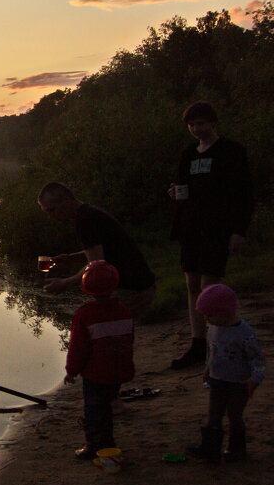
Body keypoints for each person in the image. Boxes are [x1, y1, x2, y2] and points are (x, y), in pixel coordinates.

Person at [169, 102, 254, 369]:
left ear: (213, 123)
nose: (196, 129)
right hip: (191, 227)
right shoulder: (188, 155)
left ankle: (220, 339)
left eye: (201, 123)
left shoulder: (231, 151)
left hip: (218, 227)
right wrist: (175, 193)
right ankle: (198, 343)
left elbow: (243, 194)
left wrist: (238, 231)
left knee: (210, 287)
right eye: (192, 125)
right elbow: (183, 187)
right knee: (192, 285)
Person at [37, 182, 156, 318]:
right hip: (138, 284)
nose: (50, 216)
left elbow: (96, 267)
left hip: (132, 289)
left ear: (66, 200)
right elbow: (105, 250)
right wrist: (71, 258)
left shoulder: (85, 221)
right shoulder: (89, 213)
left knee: (102, 331)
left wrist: (64, 283)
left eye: (51, 210)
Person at [185, 284, 264, 463]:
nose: (206, 319)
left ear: (224, 312)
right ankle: (210, 448)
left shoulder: (244, 334)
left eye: (209, 315)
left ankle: (236, 449)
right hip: (217, 380)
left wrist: (254, 379)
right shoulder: (213, 329)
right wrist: (208, 370)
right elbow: (211, 352)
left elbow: (258, 359)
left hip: (239, 383)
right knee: (214, 414)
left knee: (234, 415)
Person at [64, 261, 135, 460]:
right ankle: (108, 442)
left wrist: (71, 371)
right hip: (118, 371)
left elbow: (78, 348)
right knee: (107, 405)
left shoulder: (84, 314)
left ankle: (94, 446)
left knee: (93, 408)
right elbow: (128, 340)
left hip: (95, 374)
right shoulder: (124, 310)